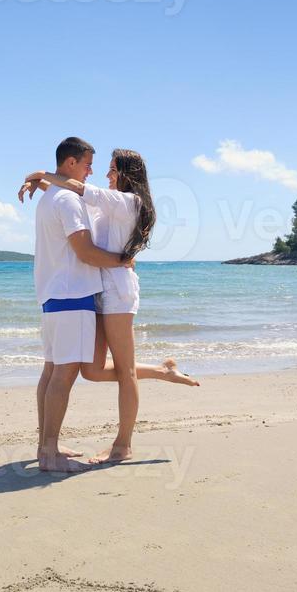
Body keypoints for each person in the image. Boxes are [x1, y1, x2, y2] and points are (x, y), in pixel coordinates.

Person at [20, 148, 200, 465]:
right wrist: (45, 187)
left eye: (112, 170)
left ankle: (122, 445)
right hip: (98, 290)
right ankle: (162, 371)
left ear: (126, 174)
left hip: (117, 290)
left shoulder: (128, 202)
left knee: (125, 370)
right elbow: (73, 204)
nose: (106, 175)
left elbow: (76, 188)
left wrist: (39, 174)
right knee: (91, 370)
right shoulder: (109, 204)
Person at [30, 137, 135, 474]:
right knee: (64, 373)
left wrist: (41, 178)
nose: (91, 171)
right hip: (72, 295)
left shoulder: (49, 198)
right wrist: (122, 260)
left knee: (51, 370)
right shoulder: (68, 201)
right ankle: (49, 453)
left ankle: (46, 444)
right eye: (88, 163)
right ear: (71, 163)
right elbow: (86, 252)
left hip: (51, 294)